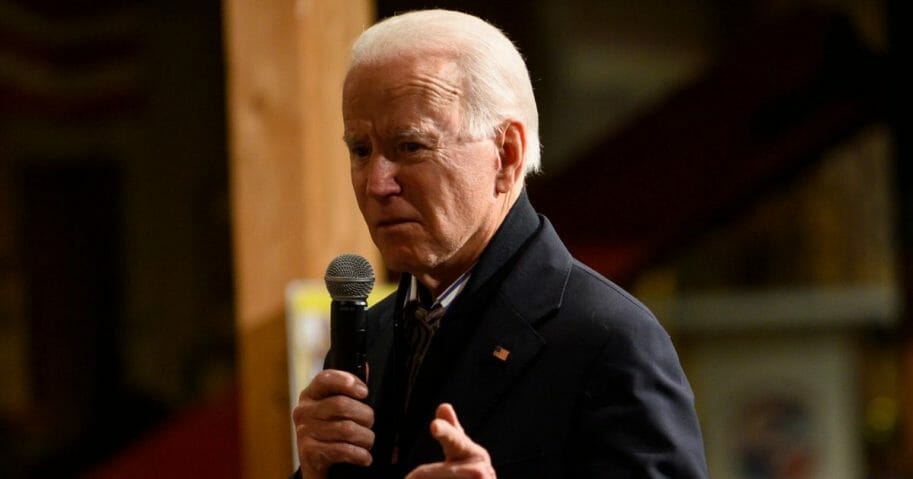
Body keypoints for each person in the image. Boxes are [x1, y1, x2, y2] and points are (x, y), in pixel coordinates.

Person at [291, 9, 708, 479]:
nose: (376, 184)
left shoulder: (608, 339)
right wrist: (312, 472)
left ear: (506, 154)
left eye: (410, 147)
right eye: (361, 151)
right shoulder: (370, 337)